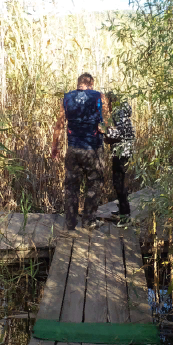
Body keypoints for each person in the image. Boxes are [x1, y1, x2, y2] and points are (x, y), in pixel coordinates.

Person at [51, 73, 109, 230]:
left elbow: (59, 125)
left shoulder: (67, 98)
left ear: (78, 84)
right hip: (93, 150)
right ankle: (88, 221)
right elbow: (105, 124)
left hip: (73, 149)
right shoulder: (99, 97)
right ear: (91, 84)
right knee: (94, 185)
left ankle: (70, 222)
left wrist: (55, 146)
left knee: (71, 187)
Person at [104, 92, 135, 219]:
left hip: (121, 152)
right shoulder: (122, 112)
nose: (105, 105)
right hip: (124, 151)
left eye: (106, 102)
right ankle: (123, 211)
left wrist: (104, 130)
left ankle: (125, 214)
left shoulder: (118, 112)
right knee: (120, 182)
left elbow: (119, 133)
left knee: (119, 182)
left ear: (111, 101)